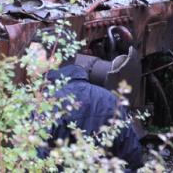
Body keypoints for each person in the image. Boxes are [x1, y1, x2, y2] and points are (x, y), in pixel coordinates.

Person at [28, 31, 144, 171]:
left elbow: (32, 162)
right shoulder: (111, 100)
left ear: (54, 59)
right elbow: (133, 158)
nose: (26, 62)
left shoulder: (43, 105)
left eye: (33, 56)